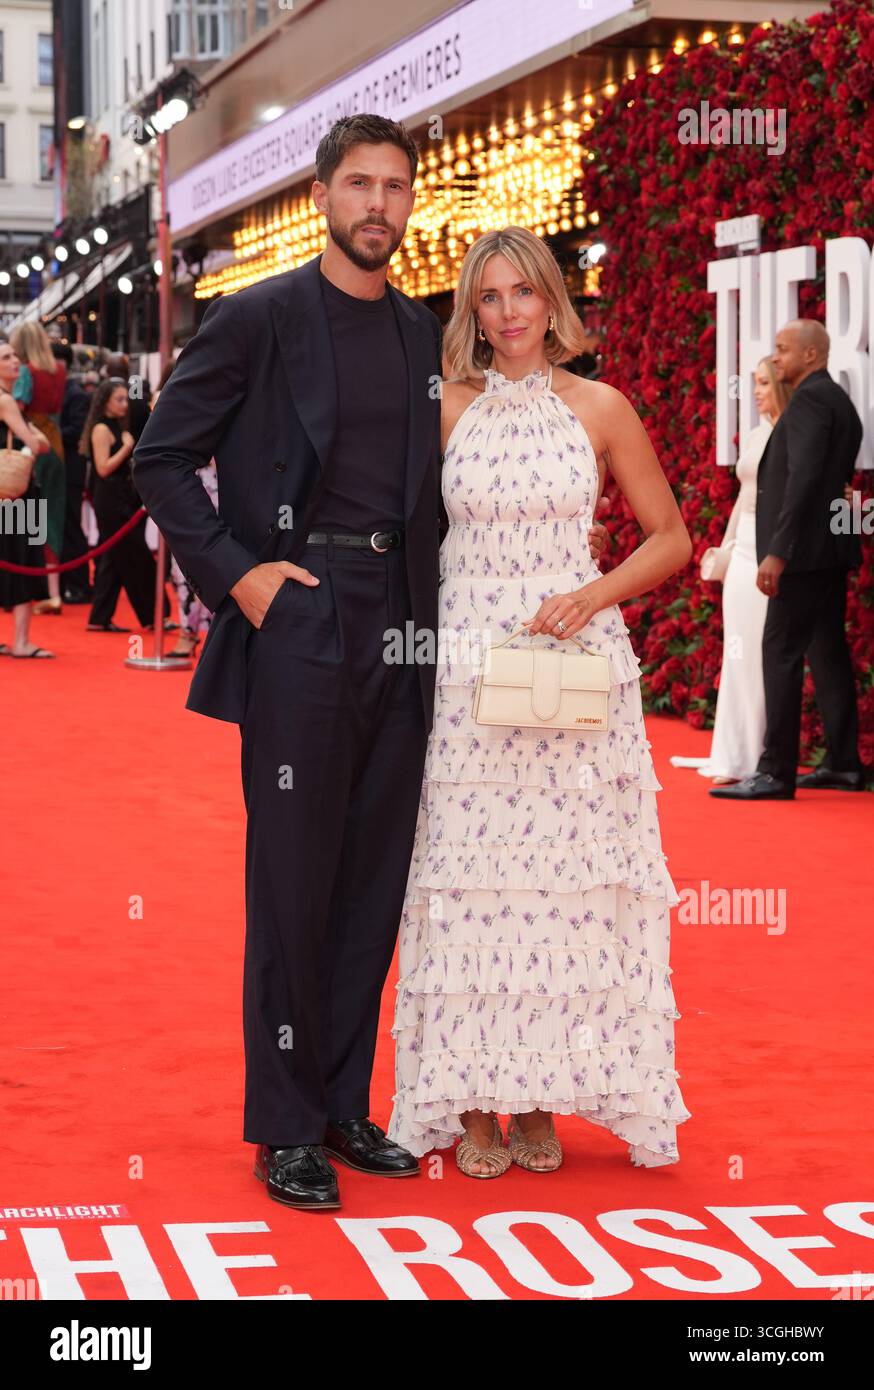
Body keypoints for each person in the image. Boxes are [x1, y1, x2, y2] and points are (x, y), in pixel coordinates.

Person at [131, 113, 613, 1212]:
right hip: (299, 615)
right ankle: (286, 1121)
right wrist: (240, 577)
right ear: (322, 196)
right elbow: (163, 456)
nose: (379, 206)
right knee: (292, 879)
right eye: (359, 184)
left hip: (409, 624)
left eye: (396, 187)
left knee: (370, 880)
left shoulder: (420, 337)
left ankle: (345, 1100)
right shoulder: (257, 318)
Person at [387, 227, 693, 1176]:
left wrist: (591, 596)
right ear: (470, 312)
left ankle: (545, 1094)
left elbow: (670, 536)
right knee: (469, 883)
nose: (510, 312)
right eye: (490, 297)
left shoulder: (601, 406)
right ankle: (476, 1103)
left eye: (525, 292)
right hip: (470, 672)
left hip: (572, 669)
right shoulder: (443, 407)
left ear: (553, 300)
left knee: (564, 893)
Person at [711, 320, 865, 800]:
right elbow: (833, 484)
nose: (776, 359)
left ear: (812, 355)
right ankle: (843, 764)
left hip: (802, 554)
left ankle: (776, 770)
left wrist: (777, 552)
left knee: (779, 653)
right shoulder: (840, 401)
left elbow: (802, 482)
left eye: (782, 350)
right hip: (831, 550)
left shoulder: (809, 401)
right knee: (827, 654)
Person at [696, 358, 792, 784]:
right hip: (743, 551)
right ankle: (733, 754)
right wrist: (729, 546)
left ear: (782, 385)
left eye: (764, 383)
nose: (756, 392)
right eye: (753, 383)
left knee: (757, 653)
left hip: (772, 549)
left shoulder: (793, 434)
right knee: (735, 650)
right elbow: (743, 498)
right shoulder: (755, 435)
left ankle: (756, 757)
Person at [81, 378, 157, 633]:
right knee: (137, 556)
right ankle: (153, 615)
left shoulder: (114, 426)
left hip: (119, 497)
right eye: (120, 399)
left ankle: (99, 617)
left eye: (126, 398)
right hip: (111, 500)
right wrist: (126, 447)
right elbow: (103, 468)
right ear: (105, 402)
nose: (126, 404)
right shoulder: (102, 429)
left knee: (114, 561)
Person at [0, 338, 55, 658]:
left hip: (10, 494)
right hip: (17, 495)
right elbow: (37, 446)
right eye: (6, 357)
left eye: (14, 356)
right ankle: (20, 641)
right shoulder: (7, 402)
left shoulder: (11, 402)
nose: (15, 361)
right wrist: (34, 436)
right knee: (22, 560)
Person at [9, 322, 67, 617]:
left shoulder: (25, 373)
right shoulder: (59, 370)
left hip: (28, 448)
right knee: (51, 518)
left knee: (25, 520)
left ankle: (24, 590)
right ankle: (53, 593)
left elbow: (16, 409)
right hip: (56, 447)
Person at [53, 342, 93, 605]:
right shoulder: (54, 391)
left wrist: (46, 433)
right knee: (57, 527)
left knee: (70, 527)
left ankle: (79, 585)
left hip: (70, 471)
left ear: (64, 364)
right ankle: (62, 583)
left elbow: (77, 431)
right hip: (55, 471)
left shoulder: (76, 394)